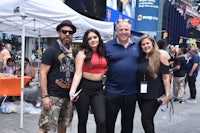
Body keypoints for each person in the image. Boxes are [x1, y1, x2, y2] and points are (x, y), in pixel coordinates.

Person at [38, 20, 76, 133]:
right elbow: (43, 73)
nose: (67, 34)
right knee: (45, 126)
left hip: (67, 96)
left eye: (70, 32)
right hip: (53, 95)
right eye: (64, 32)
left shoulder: (72, 52)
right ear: (59, 33)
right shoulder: (51, 50)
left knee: (63, 125)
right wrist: (45, 96)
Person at [104, 19, 139, 133]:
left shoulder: (138, 45)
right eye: (121, 30)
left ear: (130, 30)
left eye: (126, 29)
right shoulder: (107, 46)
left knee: (128, 125)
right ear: (116, 30)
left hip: (131, 93)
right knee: (109, 124)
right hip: (112, 92)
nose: (124, 32)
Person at [69, 29, 107, 133]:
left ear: (99, 38)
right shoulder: (82, 53)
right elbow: (78, 73)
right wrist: (72, 91)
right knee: (82, 120)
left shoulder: (103, 52)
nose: (93, 40)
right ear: (86, 41)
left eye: (95, 37)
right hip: (84, 88)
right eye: (89, 38)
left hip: (98, 89)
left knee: (101, 120)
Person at [137, 34, 171, 133]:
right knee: (147, 120)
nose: (145, 46)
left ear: (152, 43)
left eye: (147, 43)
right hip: (141, 94)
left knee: (146, 120)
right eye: (143, 44)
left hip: (154, 95)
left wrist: (167, 95)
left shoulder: (161, 57)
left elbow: (166, 77)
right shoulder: (141, 57)